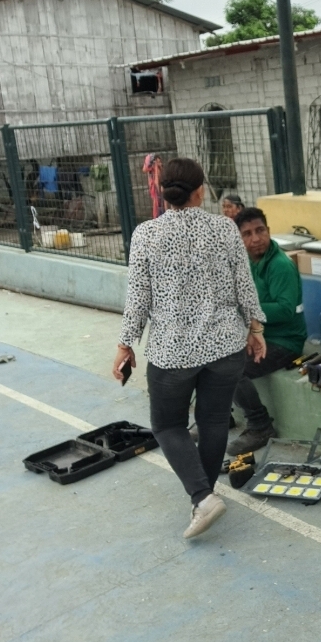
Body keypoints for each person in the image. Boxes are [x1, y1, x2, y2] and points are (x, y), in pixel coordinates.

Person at [114, 158, 266, 540]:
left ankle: (202, 497)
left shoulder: (146, 234)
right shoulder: (225, 228)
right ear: (200, 191)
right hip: (225, 346)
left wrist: (125, 343)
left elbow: (138, 298)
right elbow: (244, 284)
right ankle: (205, 495)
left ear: (163, 192)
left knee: (167, 425)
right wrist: (255, 328)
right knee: (213, 421)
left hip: (173, 352)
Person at [226, 206, 307, 456]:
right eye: (247, 233)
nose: (256, 239)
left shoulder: (280, 265)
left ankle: (260, 426)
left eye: (260, 230)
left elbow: (285, 310)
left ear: (269, 231)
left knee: (231, 369)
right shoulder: (244, 262)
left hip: (285, 341)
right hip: (256, 334)